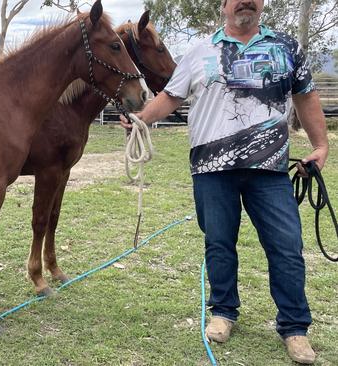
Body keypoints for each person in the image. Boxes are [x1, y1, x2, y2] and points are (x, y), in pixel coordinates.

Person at [120, 0, 328, 363]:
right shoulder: (199, 51)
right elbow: (172, 96)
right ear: (224, 6)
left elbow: (306, 96)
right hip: (212, 169)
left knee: (286, 246)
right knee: (218, 243)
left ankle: (295, 327)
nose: (245, 1)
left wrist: (321, 145)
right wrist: (142, 117)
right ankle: (223, 311)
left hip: (271, 170)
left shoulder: (286, 47)